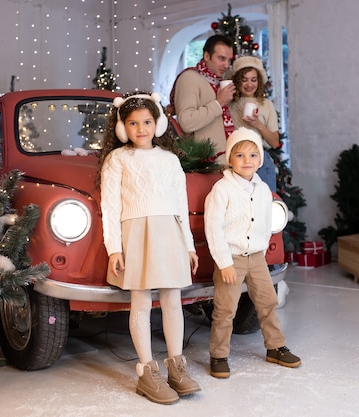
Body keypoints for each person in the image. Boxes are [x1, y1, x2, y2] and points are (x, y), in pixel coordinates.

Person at [98, 91, 201, 404]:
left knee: (172, 299)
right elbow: (111, 207)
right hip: (136, 234)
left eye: (146, 121)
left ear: (157, 123)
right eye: (132, 123)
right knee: (141, 302)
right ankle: (146, 371)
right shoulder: (117, 160)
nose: (140, 128)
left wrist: (189, 245)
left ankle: (176, 365)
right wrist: (114, 248)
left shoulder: (170, 160)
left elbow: (180, 206)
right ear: (122, 128)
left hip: (169, 233)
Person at [203, 127, 301, 379]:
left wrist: (261, 249)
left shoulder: (262, 190)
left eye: (253, 155)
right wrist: (224, 263)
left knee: (268, 302)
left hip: (256, 258)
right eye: (240, 155)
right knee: (226, 309)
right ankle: (219, 354)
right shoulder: (222, 190)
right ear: (229, 159)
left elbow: (266, 222)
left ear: (260, 159)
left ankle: (275, 347)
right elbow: (213, 229)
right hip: (231, 260)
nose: (247, 161)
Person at [170, 34, 236, 164]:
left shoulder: (219, 81)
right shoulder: (189, 78)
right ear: (206, 56)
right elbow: (186, 122)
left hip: (226, 160)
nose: (226, 65)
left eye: (229, 60)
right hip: (206, 163)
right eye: (221, 58)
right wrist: (219, 103)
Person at [228, 55, 280, 192]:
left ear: (259, 81)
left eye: (253, 80)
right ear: (237, 81)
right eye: (244, 80)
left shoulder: (267, 105)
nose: (249, 84)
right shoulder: (229, 104)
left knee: (265, 205)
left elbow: (275, 142)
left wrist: (258, 124)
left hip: (260, 160)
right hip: (235, 161)